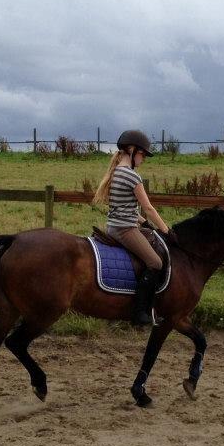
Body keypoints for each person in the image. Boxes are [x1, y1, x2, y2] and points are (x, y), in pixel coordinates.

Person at [93, 130, 170, 325]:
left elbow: (124, 207)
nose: (143, 159)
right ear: (132, 150)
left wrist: (143, 223)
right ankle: (139, 312)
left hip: (114, 226)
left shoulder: (116, 171)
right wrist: (165, 230)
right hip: (124, 230)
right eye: (142, 154)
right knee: (155, 263)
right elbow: (149, 208)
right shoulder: (132, 176)